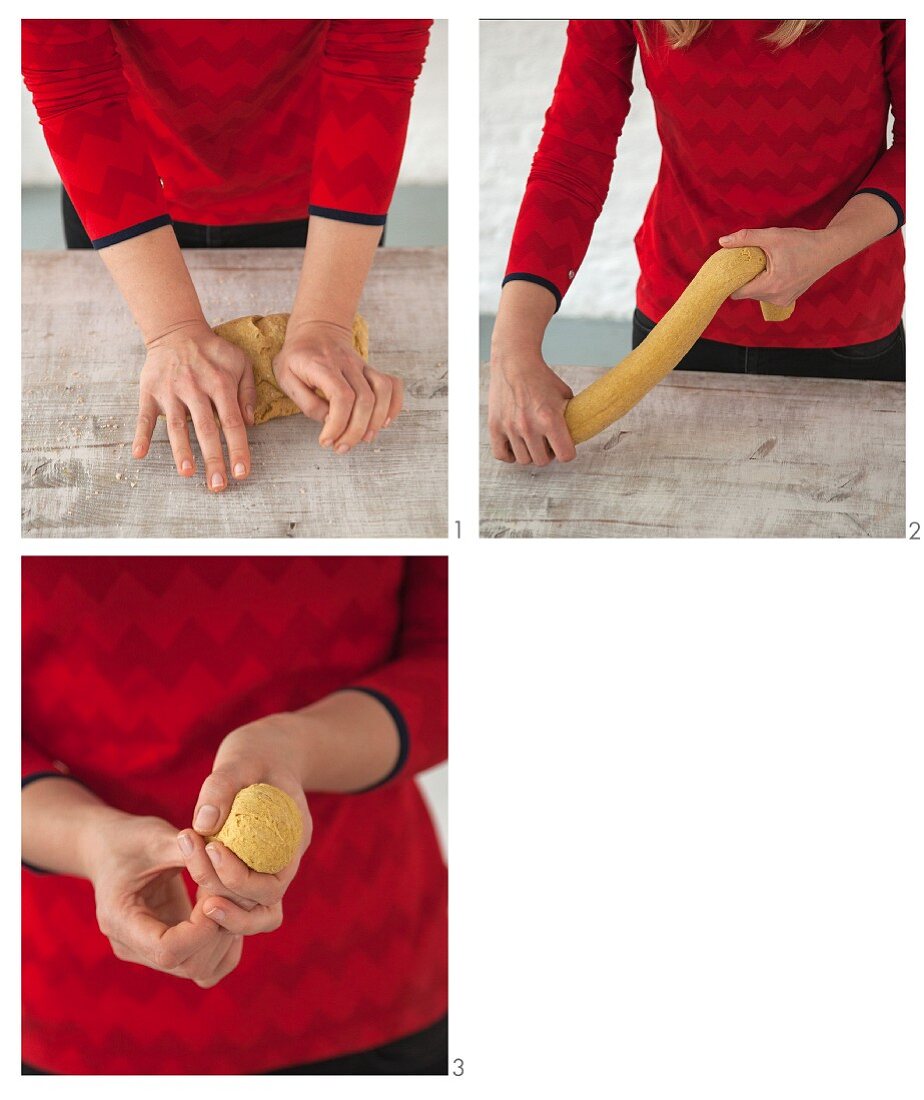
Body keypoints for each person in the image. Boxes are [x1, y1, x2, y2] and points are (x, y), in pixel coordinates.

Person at [22, 556, 448, 1075]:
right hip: (83, 1004)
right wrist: (88, 841)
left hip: (369, 966)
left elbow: (451, 659)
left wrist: (297, 745)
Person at [22, 19, 433, 490]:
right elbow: (73, 83)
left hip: (325, 192)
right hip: (124, 189)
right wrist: (170, 330)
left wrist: (326, 321)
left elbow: (375, 65)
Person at [489, 19, 905, 466]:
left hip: (850, 319)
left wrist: (829, 245)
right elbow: (573, 153)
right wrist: (511, 348)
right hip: (675, 316)